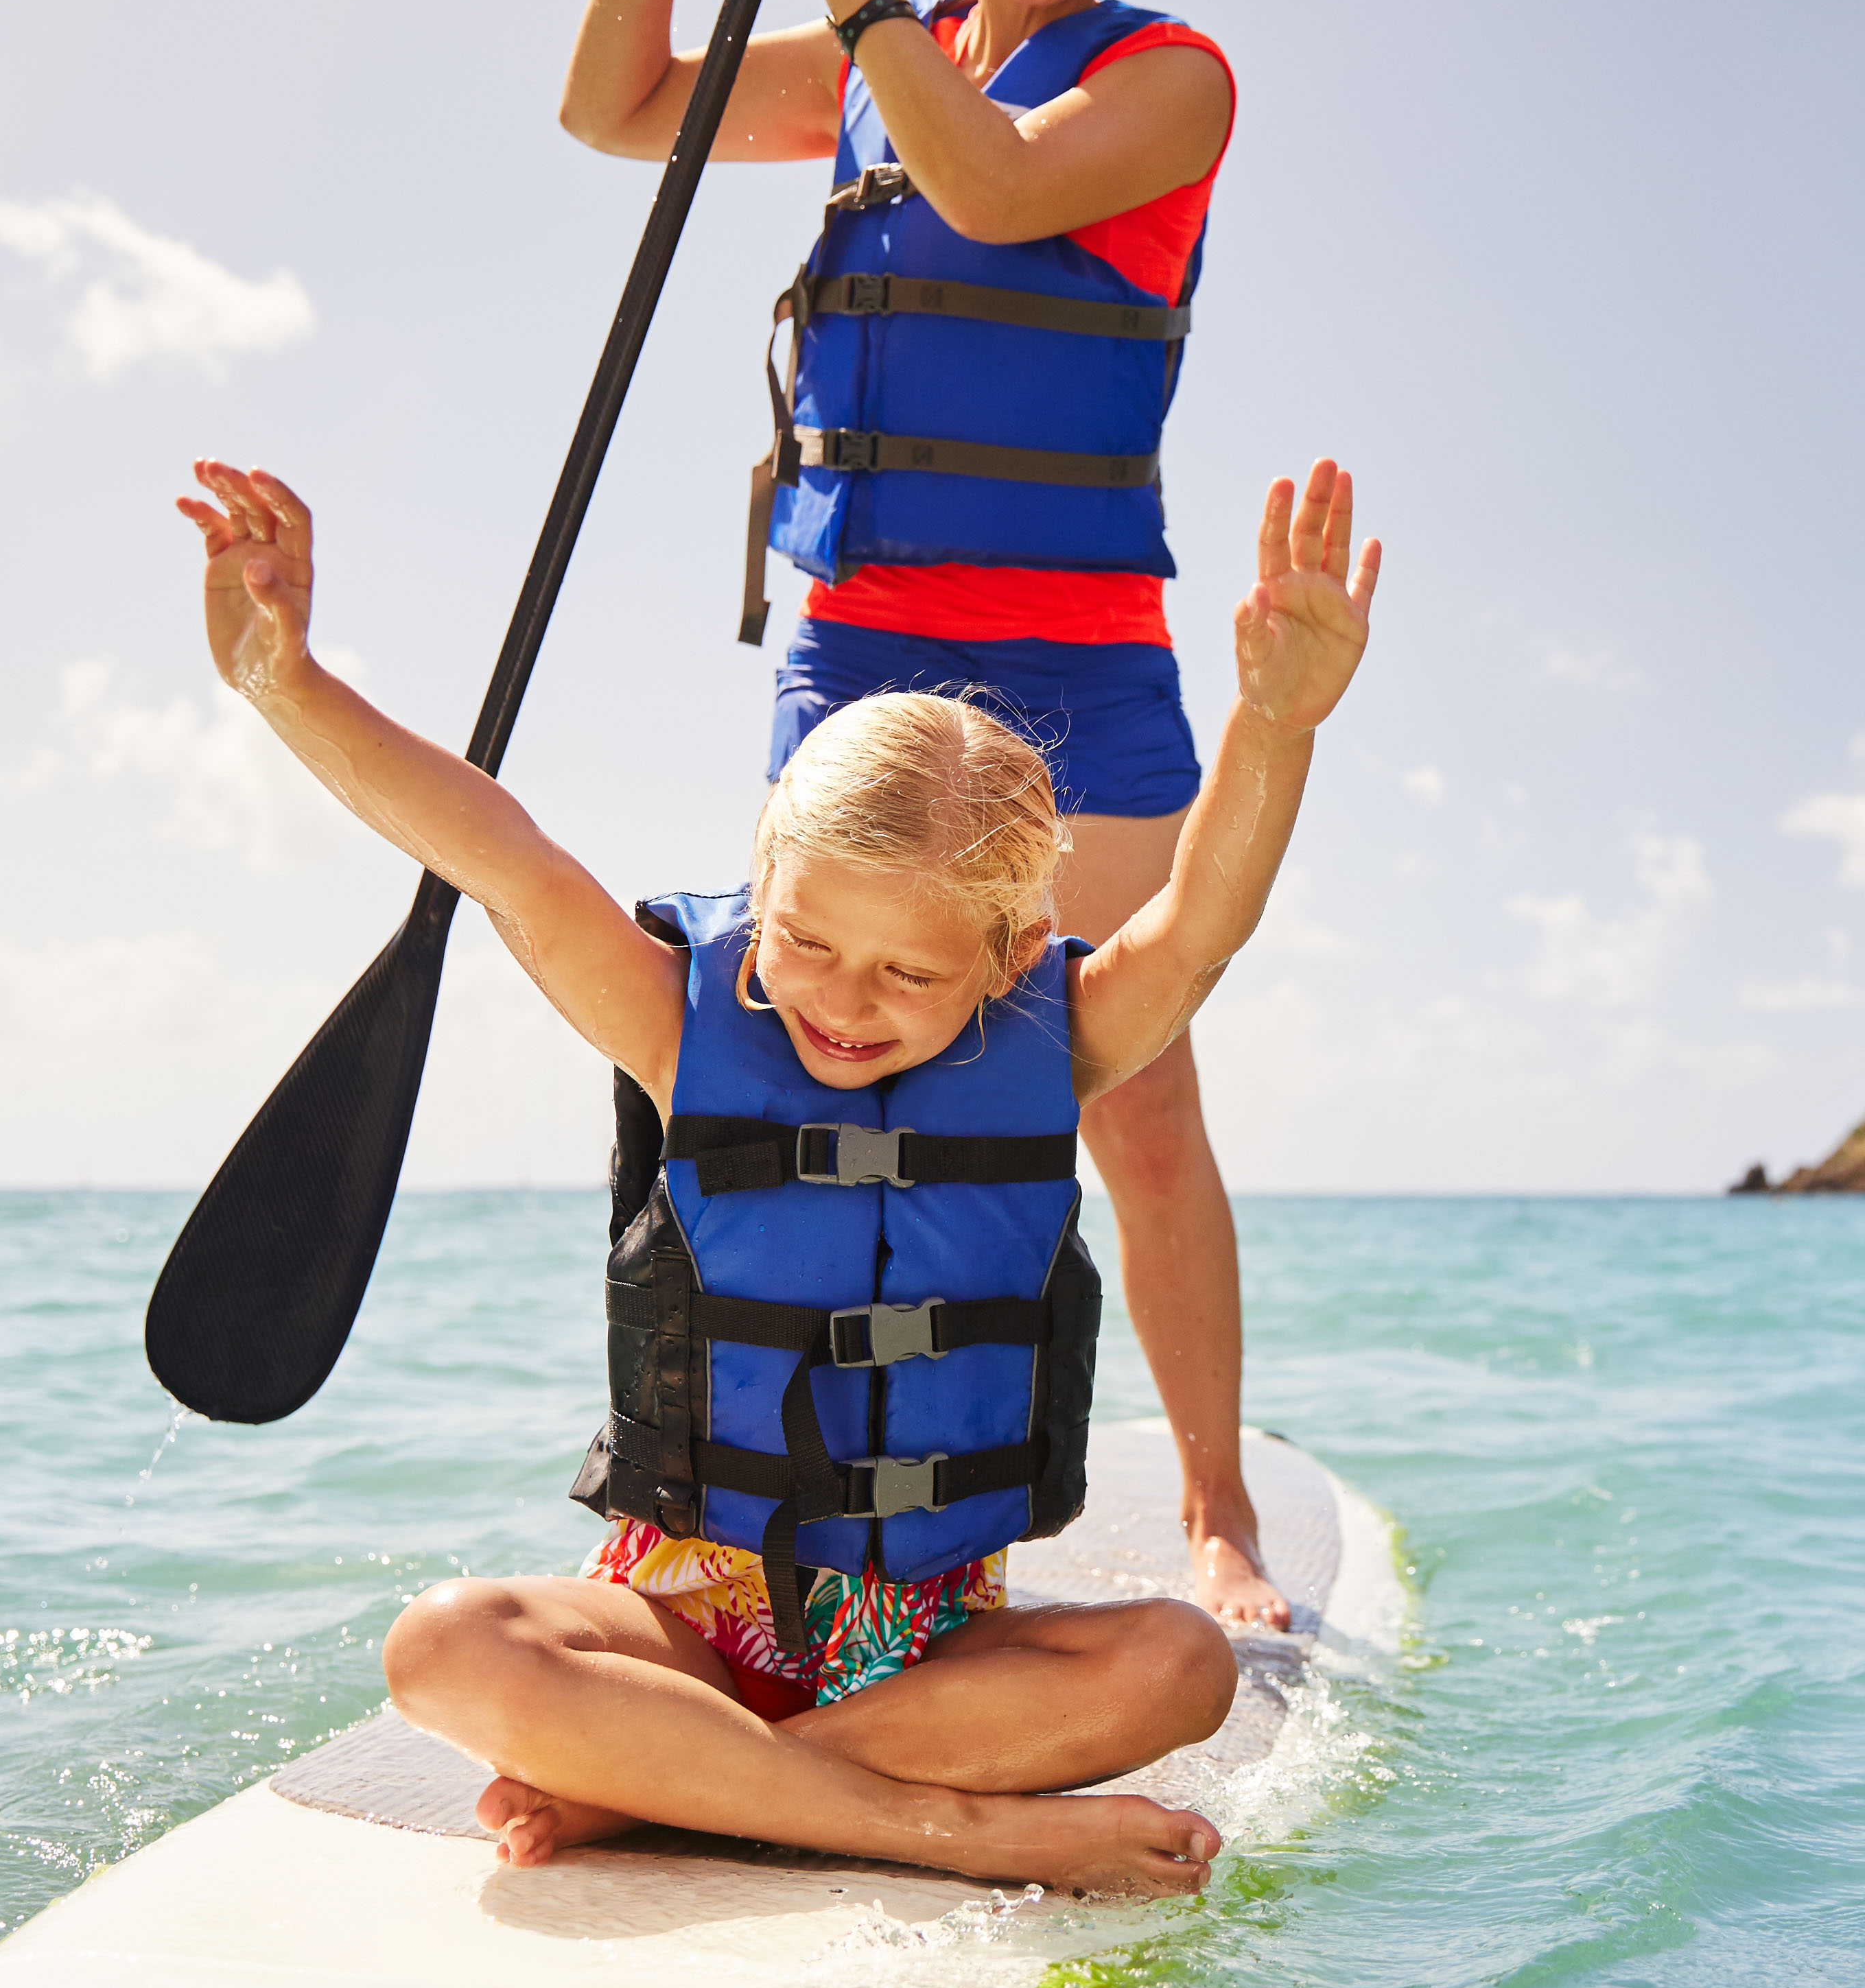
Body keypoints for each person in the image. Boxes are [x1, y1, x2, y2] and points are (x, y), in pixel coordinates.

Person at [173, 453, 1380, 1896]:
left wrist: (1274, 724)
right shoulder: (682, 1028)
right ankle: (938, 1826)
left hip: (928, 1651)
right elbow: (496, 852)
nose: (841, 1000)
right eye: (805, 938)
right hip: (684, 1622)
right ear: (764, 880)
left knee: (1179, 1666)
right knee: (444, 1646)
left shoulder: (1054, 1048)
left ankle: (674, 1781)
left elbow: (1195, 929)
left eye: (909, 971)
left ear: (1005, 962)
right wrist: (280, 679)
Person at [558, 0, 1295, 1631]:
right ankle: (753, 1513)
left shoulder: (1169, 84)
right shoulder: (884, 55)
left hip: (1076, 673)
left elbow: (983, 192)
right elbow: (619, 107)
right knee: (794, 1064)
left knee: (1121, 1089)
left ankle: (1218, 1512)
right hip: (860, 652)